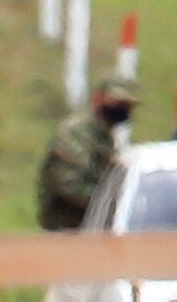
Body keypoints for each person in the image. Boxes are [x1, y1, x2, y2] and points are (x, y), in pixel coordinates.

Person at [37, 80, 132, 229]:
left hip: (92, 228)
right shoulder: (78, 134)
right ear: (98, 99)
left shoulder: (105, 136)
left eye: (127, 104)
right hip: (68, 229)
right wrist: (113, 205)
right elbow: (70, 185)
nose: (122, 109)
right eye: (116, 102)